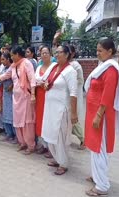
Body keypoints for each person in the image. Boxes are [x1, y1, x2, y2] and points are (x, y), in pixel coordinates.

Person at [84, 38, 119, 197]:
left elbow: (108, 96)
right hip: (94, 112)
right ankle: (96, 176)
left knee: (99, 148)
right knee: (94, 148)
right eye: (97, 50)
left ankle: (102, 186)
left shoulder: (111, 70)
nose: (97, 53)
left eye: (100, 50)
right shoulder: (103, 67)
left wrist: (98, 116)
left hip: (100, 115)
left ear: (110, 52)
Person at [41, 45, 78, 175]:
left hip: (61, 109)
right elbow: (43, 80)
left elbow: (74, 93)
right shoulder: (55, 67)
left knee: (60, 137)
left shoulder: (70, 71)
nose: (56, 55)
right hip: (50, 108)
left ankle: (63, 163)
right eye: (55, 53)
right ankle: (57, 159)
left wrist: (74, 113)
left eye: (60, 52)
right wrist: (45, 84)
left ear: (67, 54)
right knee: (51, 134)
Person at [0, 47, 36, 155]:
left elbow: (32, 79)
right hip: (16, 98)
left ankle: (30, 145)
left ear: (18, 54)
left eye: (12, 55)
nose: (11, 57)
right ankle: (22, 143)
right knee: (18, 121)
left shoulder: (27, 63)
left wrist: (33, 95)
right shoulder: (13, 66)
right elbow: (5, 75)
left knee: (26, 122)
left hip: (26, 97)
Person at [35, 46, 57, 156]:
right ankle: (43, 145)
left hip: (49, 97)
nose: (44, 55)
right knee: (40, 120)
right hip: (39, 97)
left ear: (50, 54)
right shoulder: (38, 68)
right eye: (42, 53)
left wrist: (45, 84)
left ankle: (51, 148)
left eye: (46, 53)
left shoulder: (54, 67)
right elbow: (34, 81)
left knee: (49, 120)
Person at [69, 45, 85, 150]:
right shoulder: (64, 64)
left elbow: (79, 81)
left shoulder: (75, 65)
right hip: (67, 95)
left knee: (73, 119)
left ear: (73, 53)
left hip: (74, 95)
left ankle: (83, 139)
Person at [0, 52, 15, 141]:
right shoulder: (4, 69)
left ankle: (15, 135)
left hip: (12, 95)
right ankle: (9, 134)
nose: (2, 61)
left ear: (8, 59)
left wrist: (12, 85)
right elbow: (0, 79)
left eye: (3, 59)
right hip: (5, 94)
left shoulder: (13, 68)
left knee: (12, 115)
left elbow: (17, 79)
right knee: (6, 114)